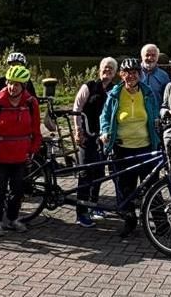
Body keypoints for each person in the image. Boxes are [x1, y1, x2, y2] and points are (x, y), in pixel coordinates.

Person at [99, 57, 161, 238]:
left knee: (152, 186)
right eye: (127, 73)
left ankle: (162, 224)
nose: (131, 76)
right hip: (122, 148)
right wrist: (104, 132)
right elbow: (105, 116)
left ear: (139, 74)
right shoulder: (115, 94)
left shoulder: (147, 92)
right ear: (121, 75)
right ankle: (129, 222)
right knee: (125, 188)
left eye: (134, 73)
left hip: (146, 147)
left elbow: (155, 114)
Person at [0, 64, 42, 236]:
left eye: (17, 84)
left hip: (21, 155)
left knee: (17, 190)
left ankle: (13, 219)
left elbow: (36, 129)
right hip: (0, 154)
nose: (12, 88)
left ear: (24, 86)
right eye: (10, 83)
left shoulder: (31, 103)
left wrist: (33, 149)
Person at [71, 57, 115, 227]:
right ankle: (81, 213)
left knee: (98, 173)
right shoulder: (88, 86)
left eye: (111, 68)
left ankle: (94, 206)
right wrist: (78, 131)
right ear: (99, 69)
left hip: (103, 137)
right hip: (87, 135)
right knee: (85, 173)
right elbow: (77, 109)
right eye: (105, 67)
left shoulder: (114, 89)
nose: (107, 70)